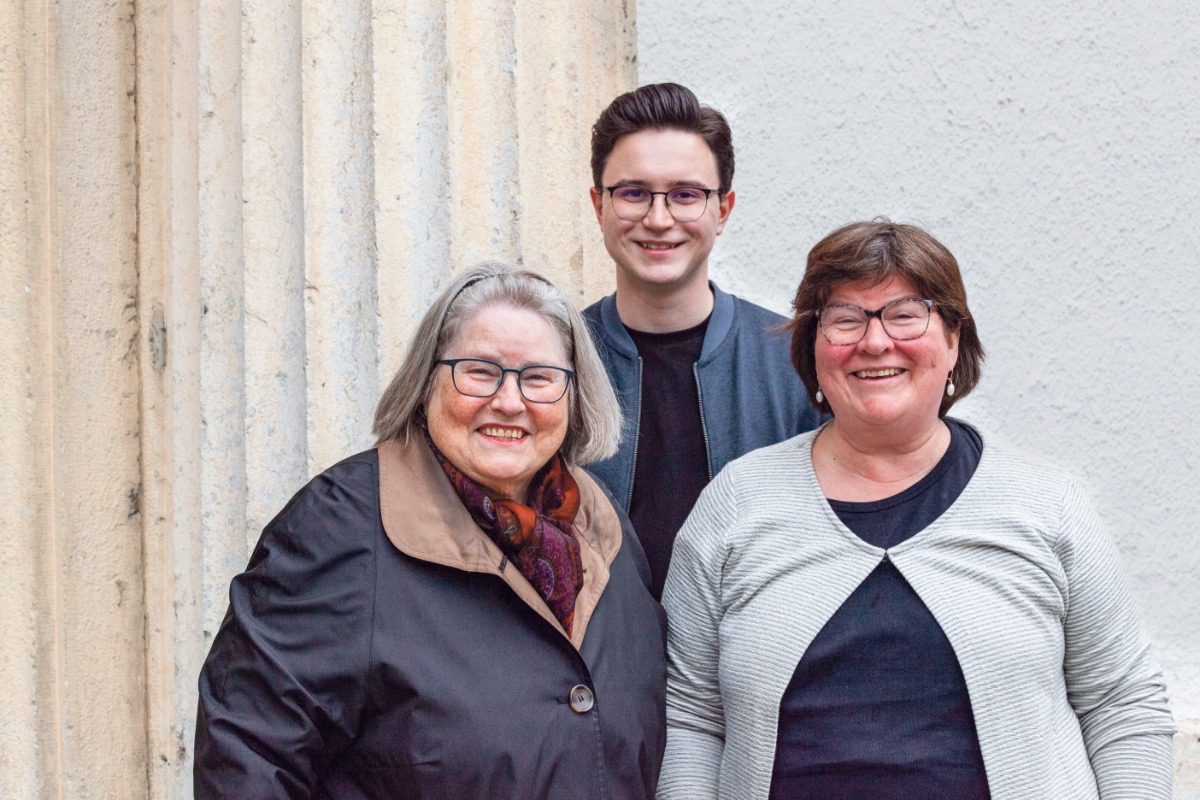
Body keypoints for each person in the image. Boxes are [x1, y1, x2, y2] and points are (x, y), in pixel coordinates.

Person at [659, 220, 1175, 799]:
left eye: (906, 314)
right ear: (812, 348)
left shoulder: (1047, 504)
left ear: (953, 341)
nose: (875, 342)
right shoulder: (735, 503)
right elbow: (692, 717)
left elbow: (1121, 704)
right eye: (845, 318)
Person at [194, 262, 667, 799]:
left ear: (574, 396)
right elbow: (248, 756)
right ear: (426, 382)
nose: (509, 401)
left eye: (539, 378)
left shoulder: (604, 531)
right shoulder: (340, 526)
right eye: (480, 371)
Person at [584, 82, 821, 599]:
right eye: (633, 192)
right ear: (598, 205)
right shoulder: (555, 361)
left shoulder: (799, 360)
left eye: (686, 194)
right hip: (589, 670)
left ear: (724, 209)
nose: (659, 218)